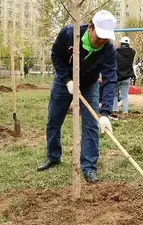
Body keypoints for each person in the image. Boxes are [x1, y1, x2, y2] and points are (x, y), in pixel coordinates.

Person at [37, 10, 117, 184]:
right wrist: (67, 80)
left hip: (89, 85)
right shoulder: (69, 34)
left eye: (106, 38)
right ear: (90, 28)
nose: (101, 42)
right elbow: (56, 56)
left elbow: (110, 80)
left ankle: (88, 167)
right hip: (63, 82)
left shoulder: (108, 50)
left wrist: (105, 113)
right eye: (99, 37)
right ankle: (53, 156)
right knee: (54, 120)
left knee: (91, 125)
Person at [111, 36, 136, 118]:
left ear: (121, 43)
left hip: (117, 77)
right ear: (129, 44)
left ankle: (114, 110)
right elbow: (132, 49)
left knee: (115, 95)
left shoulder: (115, 52)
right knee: (125, 96)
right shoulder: (132, 52)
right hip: (126, 77)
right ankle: (125, 112)